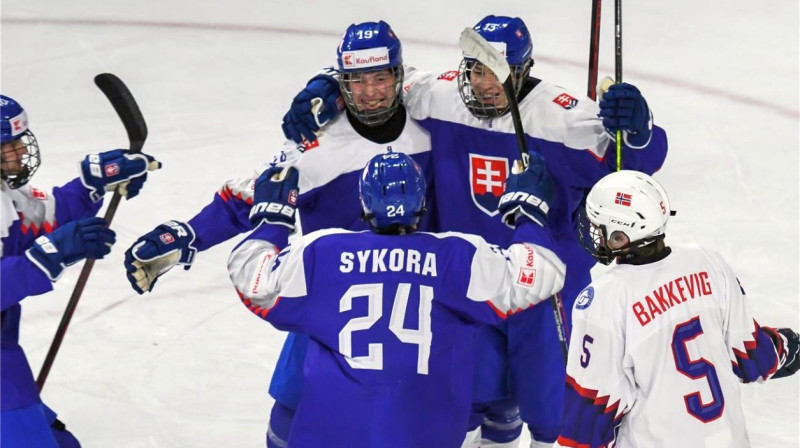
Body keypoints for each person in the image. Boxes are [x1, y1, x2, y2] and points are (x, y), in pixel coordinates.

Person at [281, 15, 669, 447]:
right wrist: (328, 86)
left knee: (553, 416)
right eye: (477, 70)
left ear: (523, 69)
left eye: (496, 73)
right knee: (466, 400)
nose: (485, 84)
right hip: (468, 287)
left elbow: (633, 167)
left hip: (545, 298)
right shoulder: (440, 97)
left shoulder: (564, 118)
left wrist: (638, 128)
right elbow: (382, 80)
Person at [122, 21, 445, 448]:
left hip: (419, 300)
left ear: (399, 77)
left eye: (380, 78)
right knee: (293, 418)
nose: (369, 93)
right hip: (329, 304)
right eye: (355, 80)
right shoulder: (318, 147)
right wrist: (190, 234)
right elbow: (260, 193)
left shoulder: (431, 120)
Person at [227, 151, 565, 448]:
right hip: (428, 431)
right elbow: (540, 275)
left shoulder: (321, 250)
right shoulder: (458, 256)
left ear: (363, 203)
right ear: (422, 202)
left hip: (332, 431)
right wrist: (528, 217)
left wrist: (272, 220)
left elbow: (253, 279)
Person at [555, 170, 799, 447]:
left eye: (599, 227)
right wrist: (785, 347)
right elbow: (750, 356)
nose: (593, 232)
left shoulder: (604, 300)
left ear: (621, 236)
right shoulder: (707, 262)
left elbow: (591, 415)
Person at [0, 94, 159, 447]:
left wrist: (89, 188)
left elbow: (36, 219)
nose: (21, 152)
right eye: (9, 146)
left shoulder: (4, 191)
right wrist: (48, 256)